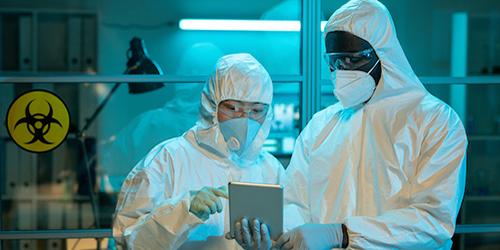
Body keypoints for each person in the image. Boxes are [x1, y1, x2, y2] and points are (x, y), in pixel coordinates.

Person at [233, 0, 467, 249]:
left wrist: (343, 234)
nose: (342, 70)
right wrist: (274, 235)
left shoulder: (435, 121)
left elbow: (433, 220)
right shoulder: (321, 126)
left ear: (382, 55)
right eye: (336, 62)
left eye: (352, 60)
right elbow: (296, 202)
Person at [113, 53, 285, 249]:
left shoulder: (271, 169)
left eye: (256, 111)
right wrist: (183, 212)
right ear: (211, 103)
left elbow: (288, 235)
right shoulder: (168, 159)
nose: (244, 119)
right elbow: (128, 240)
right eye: (232, 108)